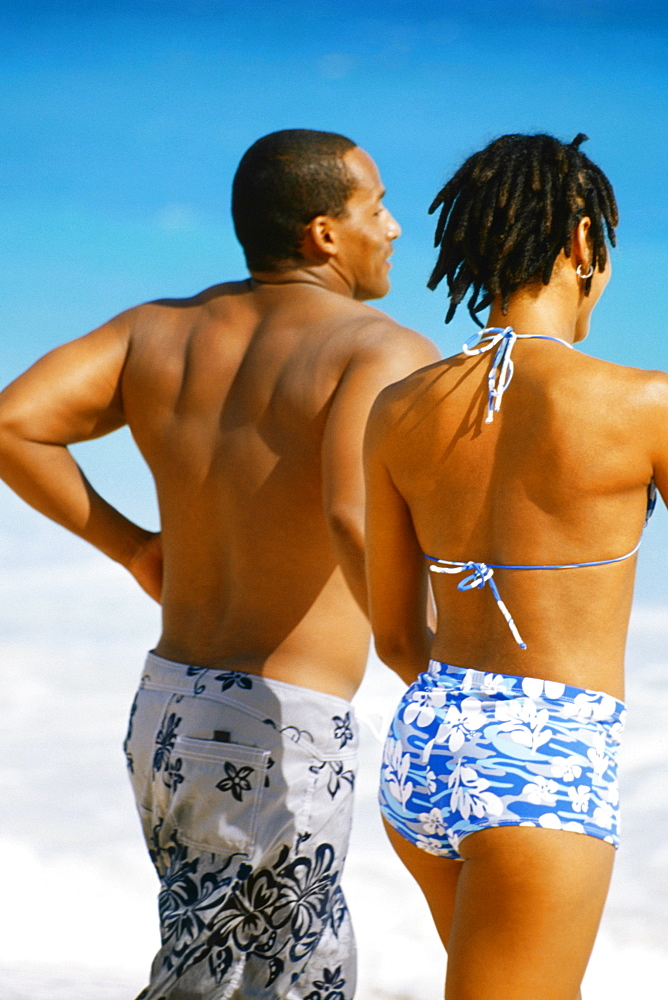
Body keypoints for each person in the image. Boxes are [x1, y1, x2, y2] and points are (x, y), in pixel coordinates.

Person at [0, 128, 439, 1000]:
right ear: (324, 232)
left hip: (167, 710)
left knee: (204, 973)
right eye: (378, 206)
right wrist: (426, 662)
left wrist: (135, 551)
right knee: (286, 982)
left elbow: (16, 423)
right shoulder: (376, 349)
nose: (392, 228)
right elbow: (353, 514)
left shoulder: (158, 332)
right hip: (279, 723)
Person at [364, 132, 668, 1000]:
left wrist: (479, 717)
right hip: (544, 760)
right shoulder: (644, 403)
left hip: (425, 744)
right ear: (582, 244)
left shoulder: (398, 409)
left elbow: (393, 632)